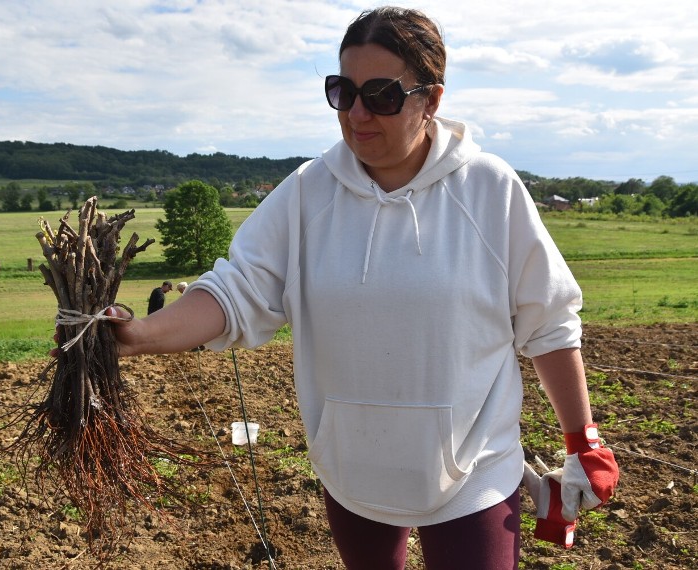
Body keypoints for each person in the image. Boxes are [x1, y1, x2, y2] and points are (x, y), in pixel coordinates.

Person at [99, 7, 619, 569]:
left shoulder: (489, 190)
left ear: (432, 100)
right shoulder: (307, 194)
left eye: (382, 94)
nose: (358, 113)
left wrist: (582, 440)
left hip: (475, 472)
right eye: (343, 92)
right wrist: (136, 335)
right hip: (353, 471)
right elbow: (237, 290)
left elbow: (549, 320)